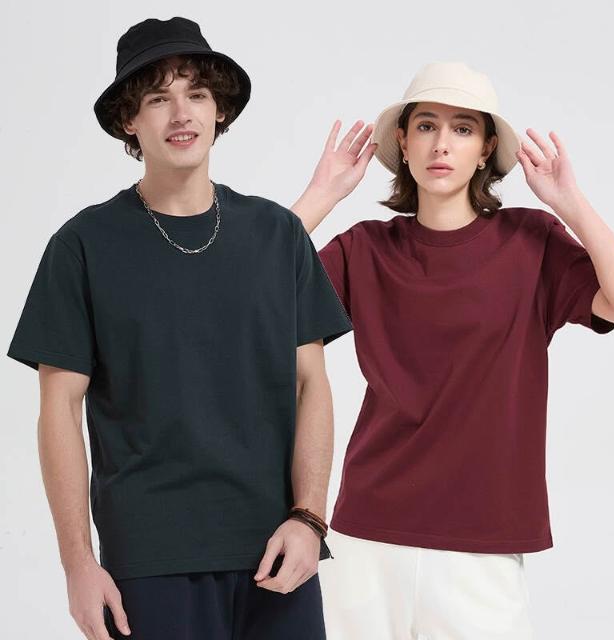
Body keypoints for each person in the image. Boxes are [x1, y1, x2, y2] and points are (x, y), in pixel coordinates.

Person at [7, 16, 352, 640]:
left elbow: (313, 385)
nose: (181, 113)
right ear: (129, 121)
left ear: (219, 110)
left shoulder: (278, 234)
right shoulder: (83, 245)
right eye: (157, 99)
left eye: (196, 93)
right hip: (149, 563)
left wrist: (309, 519)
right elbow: (58, 408)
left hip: (278, 552)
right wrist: (77, 564)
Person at [290, 61, 614, 638]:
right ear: (403, 142)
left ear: (486, 149)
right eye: (426, 126)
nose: (441, 144)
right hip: (369, 533)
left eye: (462, 128)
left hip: (482, 543)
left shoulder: (531, 242)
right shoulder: (365, 249)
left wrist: (570, 203)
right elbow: (246, 305)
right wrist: (321, 195)